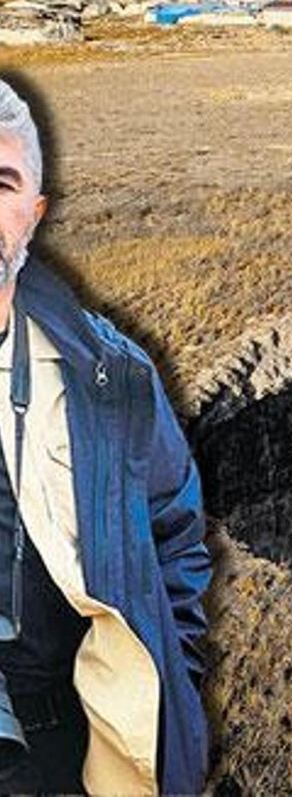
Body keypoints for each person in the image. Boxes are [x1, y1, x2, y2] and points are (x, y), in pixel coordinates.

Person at [0, 78, 211, 794]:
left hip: (68, 744)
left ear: (35, 212)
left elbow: (175, 535)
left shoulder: (109, 375)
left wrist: (170, 685)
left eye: (1, 183)